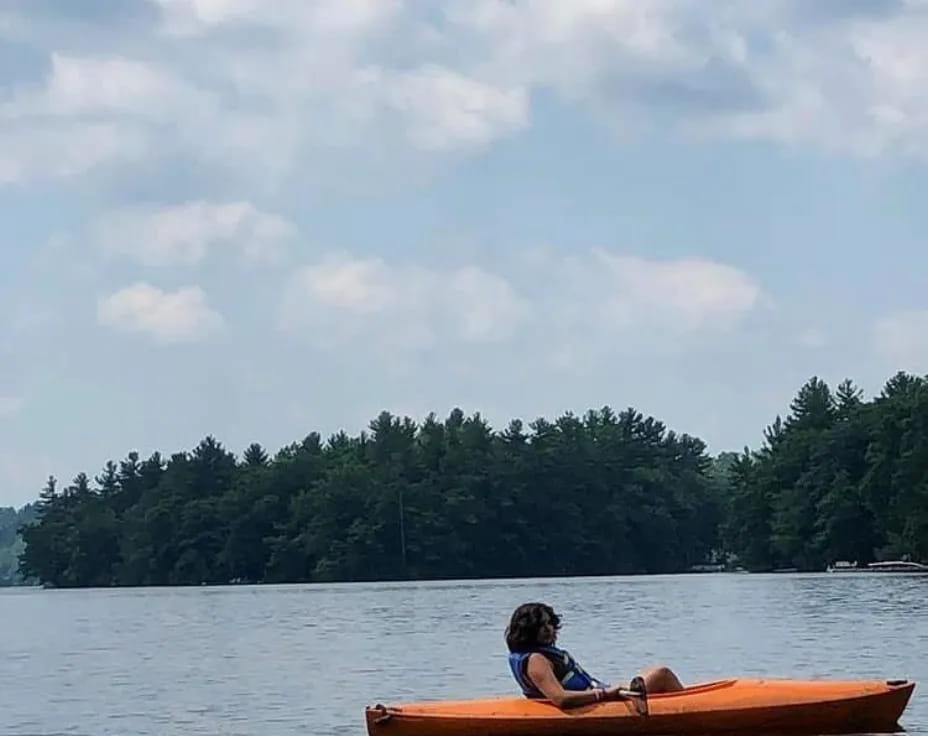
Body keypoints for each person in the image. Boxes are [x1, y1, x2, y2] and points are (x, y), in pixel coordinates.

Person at [505, 602, 684, 709]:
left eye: (549, 623)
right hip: (592, 703)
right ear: (528, 630)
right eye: (540, 625)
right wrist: (604, 694)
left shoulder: (538, 655)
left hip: (594, 696)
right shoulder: (536, 660)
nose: (548, 629)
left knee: (654, 673)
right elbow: (560, 699)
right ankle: (689, 712)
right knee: (661, 674)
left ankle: (680, 706)